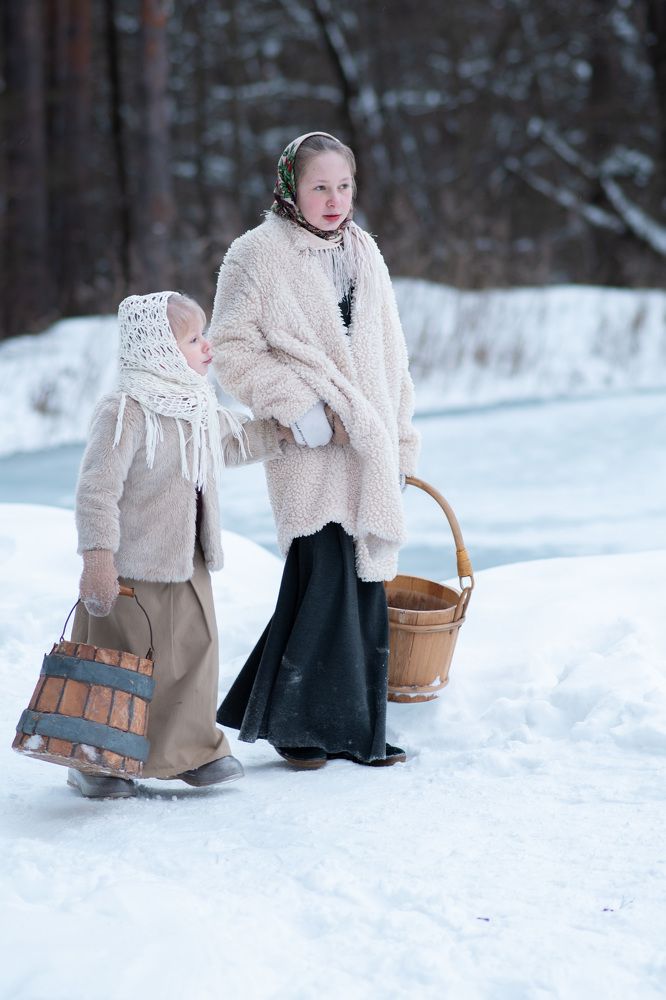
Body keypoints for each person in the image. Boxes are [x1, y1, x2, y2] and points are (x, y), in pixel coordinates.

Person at [209, 131, 420, 770]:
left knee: (362, 585)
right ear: (290, 188)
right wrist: (298, 408)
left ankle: (349, 729)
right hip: (311, 444)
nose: (334, 201)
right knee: (323, 575)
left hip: (368, 442)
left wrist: (402, 438)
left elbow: (392, 356)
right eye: (319, 187)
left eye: (344, 186)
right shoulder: (255, 255)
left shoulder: (364, 251)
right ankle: (303, 730)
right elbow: (232, 347)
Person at [68, 291, 292, 798]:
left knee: (194, 654)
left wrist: (281, 433)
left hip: (187, 559)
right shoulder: (124, 412)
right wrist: (98, 560)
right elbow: (96, 491)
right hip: (129, 568)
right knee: (118, 663)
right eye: (193, 339)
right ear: (159, 350)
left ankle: (189, 752)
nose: (206, 347)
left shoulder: (196, 406)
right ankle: (97, 760)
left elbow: (231, 441)